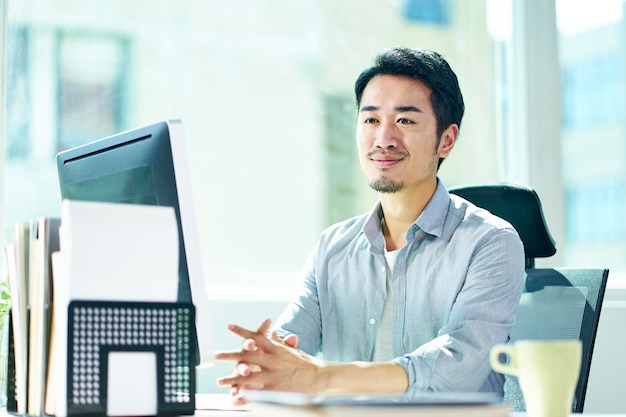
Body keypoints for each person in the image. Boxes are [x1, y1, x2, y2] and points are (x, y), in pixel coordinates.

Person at [215, 47, 525, 403]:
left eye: (405, 121)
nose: (383, 139)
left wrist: (321, 377)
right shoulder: (333, 247)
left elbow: (457, 367)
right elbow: (291, 340)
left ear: (447, 140)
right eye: (371, 119)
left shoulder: (491, 242)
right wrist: (265, 366)